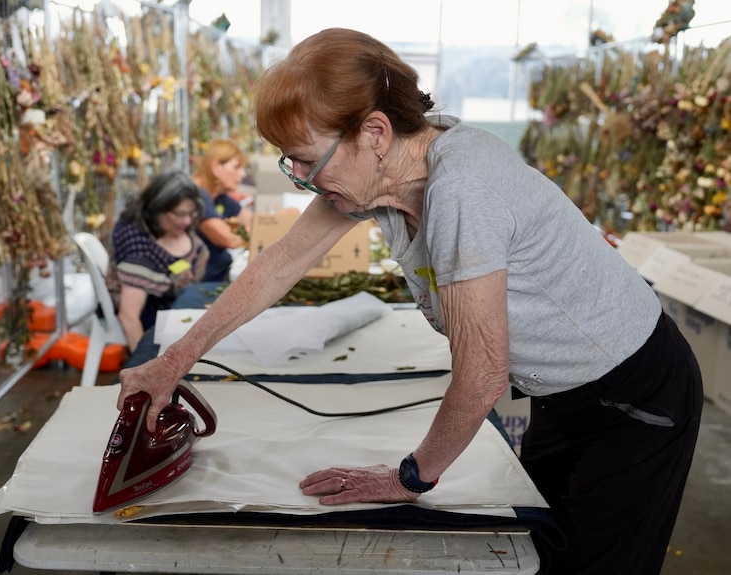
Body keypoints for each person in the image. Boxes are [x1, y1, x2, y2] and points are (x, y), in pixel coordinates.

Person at [117, 28, 703, 575]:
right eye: (288, 161)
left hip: (635, 393)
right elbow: (277, 265)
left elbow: (481, 375)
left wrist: (410, 477)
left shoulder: (463, 185)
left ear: (374, 132)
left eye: (305, 159)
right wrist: (174, 360)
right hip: (562, 390)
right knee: (542, 545)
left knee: (600, 561)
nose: (300, 177)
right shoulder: (381, 178)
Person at [107, 170, 209, 352]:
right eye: (179, 214)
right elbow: (128, 317)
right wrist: (145, 365)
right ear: (158, 208)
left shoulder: (168, 228)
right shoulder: (137, 245)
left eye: (191, 214)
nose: (186, 221)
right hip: (149, 313)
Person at [191, 139, 253, 281]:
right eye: (236, 168)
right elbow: (228, 240)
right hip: (200, 282)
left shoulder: (219, 197)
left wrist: (277, 219)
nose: (243, 174)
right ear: (216, 167)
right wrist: (259, 228)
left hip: (219, 273)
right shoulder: (195, 196)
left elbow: (251, 219)